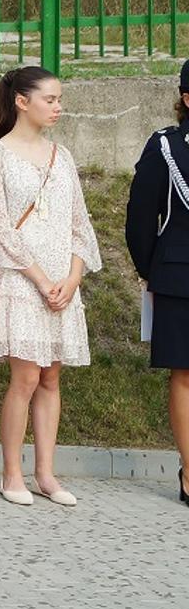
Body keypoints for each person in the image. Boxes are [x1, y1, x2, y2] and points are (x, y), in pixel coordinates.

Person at [0, 67, 100, 507]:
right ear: (21, 101)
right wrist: (42, 279)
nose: (57, 107)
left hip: (62, 280)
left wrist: (72, 277)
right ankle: (12, 472)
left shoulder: (62, 155)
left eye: (60, 99)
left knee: (51, 377)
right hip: (21, 278)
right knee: (26, 376)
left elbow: (79, 224)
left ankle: (46, 473)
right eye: (49, 99)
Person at [125, 60, 189, 509]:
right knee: (185, 373)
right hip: (181, 276)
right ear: (187, 98)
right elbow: (140, 216)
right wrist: (151, 269)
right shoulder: (166, 147)